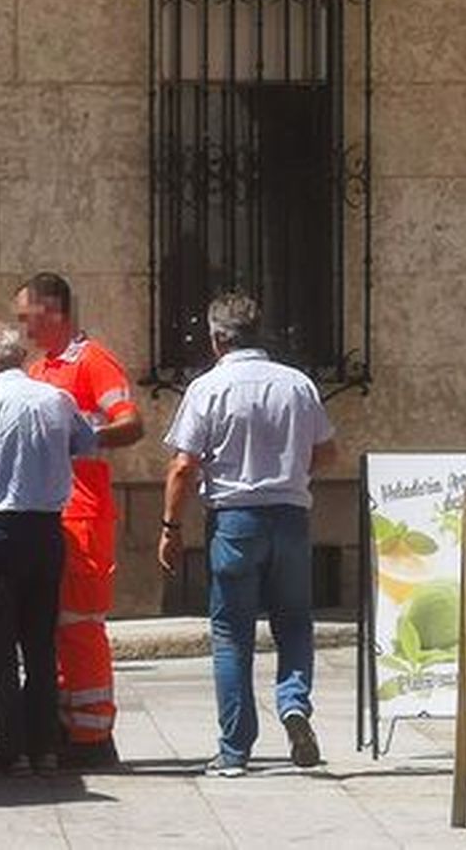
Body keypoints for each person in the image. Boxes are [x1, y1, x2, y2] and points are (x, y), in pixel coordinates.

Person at [159, 292, 336, 778]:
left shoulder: (208, 388)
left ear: (218, 339)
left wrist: (171, 527)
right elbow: (327, 452)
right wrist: (291, 475)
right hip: (291, 516)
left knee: (231, 635)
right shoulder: (297, 384)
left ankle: (235, 750)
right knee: (294, 622)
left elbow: (183, 465)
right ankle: (294, 705)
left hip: (234, 519)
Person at [0, 322, 97, 778]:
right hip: (46, 530)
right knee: (40, 642)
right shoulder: (56, 399)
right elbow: (86, 443)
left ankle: (10, 750)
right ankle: (44, 747)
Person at [16, 272, 143, 768]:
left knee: (81, 626)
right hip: (46, 514)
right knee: (52, 628)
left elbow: (130, 423)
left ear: (53, 311)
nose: (22, 327)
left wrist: (83, 435)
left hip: (83, 515)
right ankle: (66, 725)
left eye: (27, 316)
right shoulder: (37, 370)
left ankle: (93, 737)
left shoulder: (92, 361)